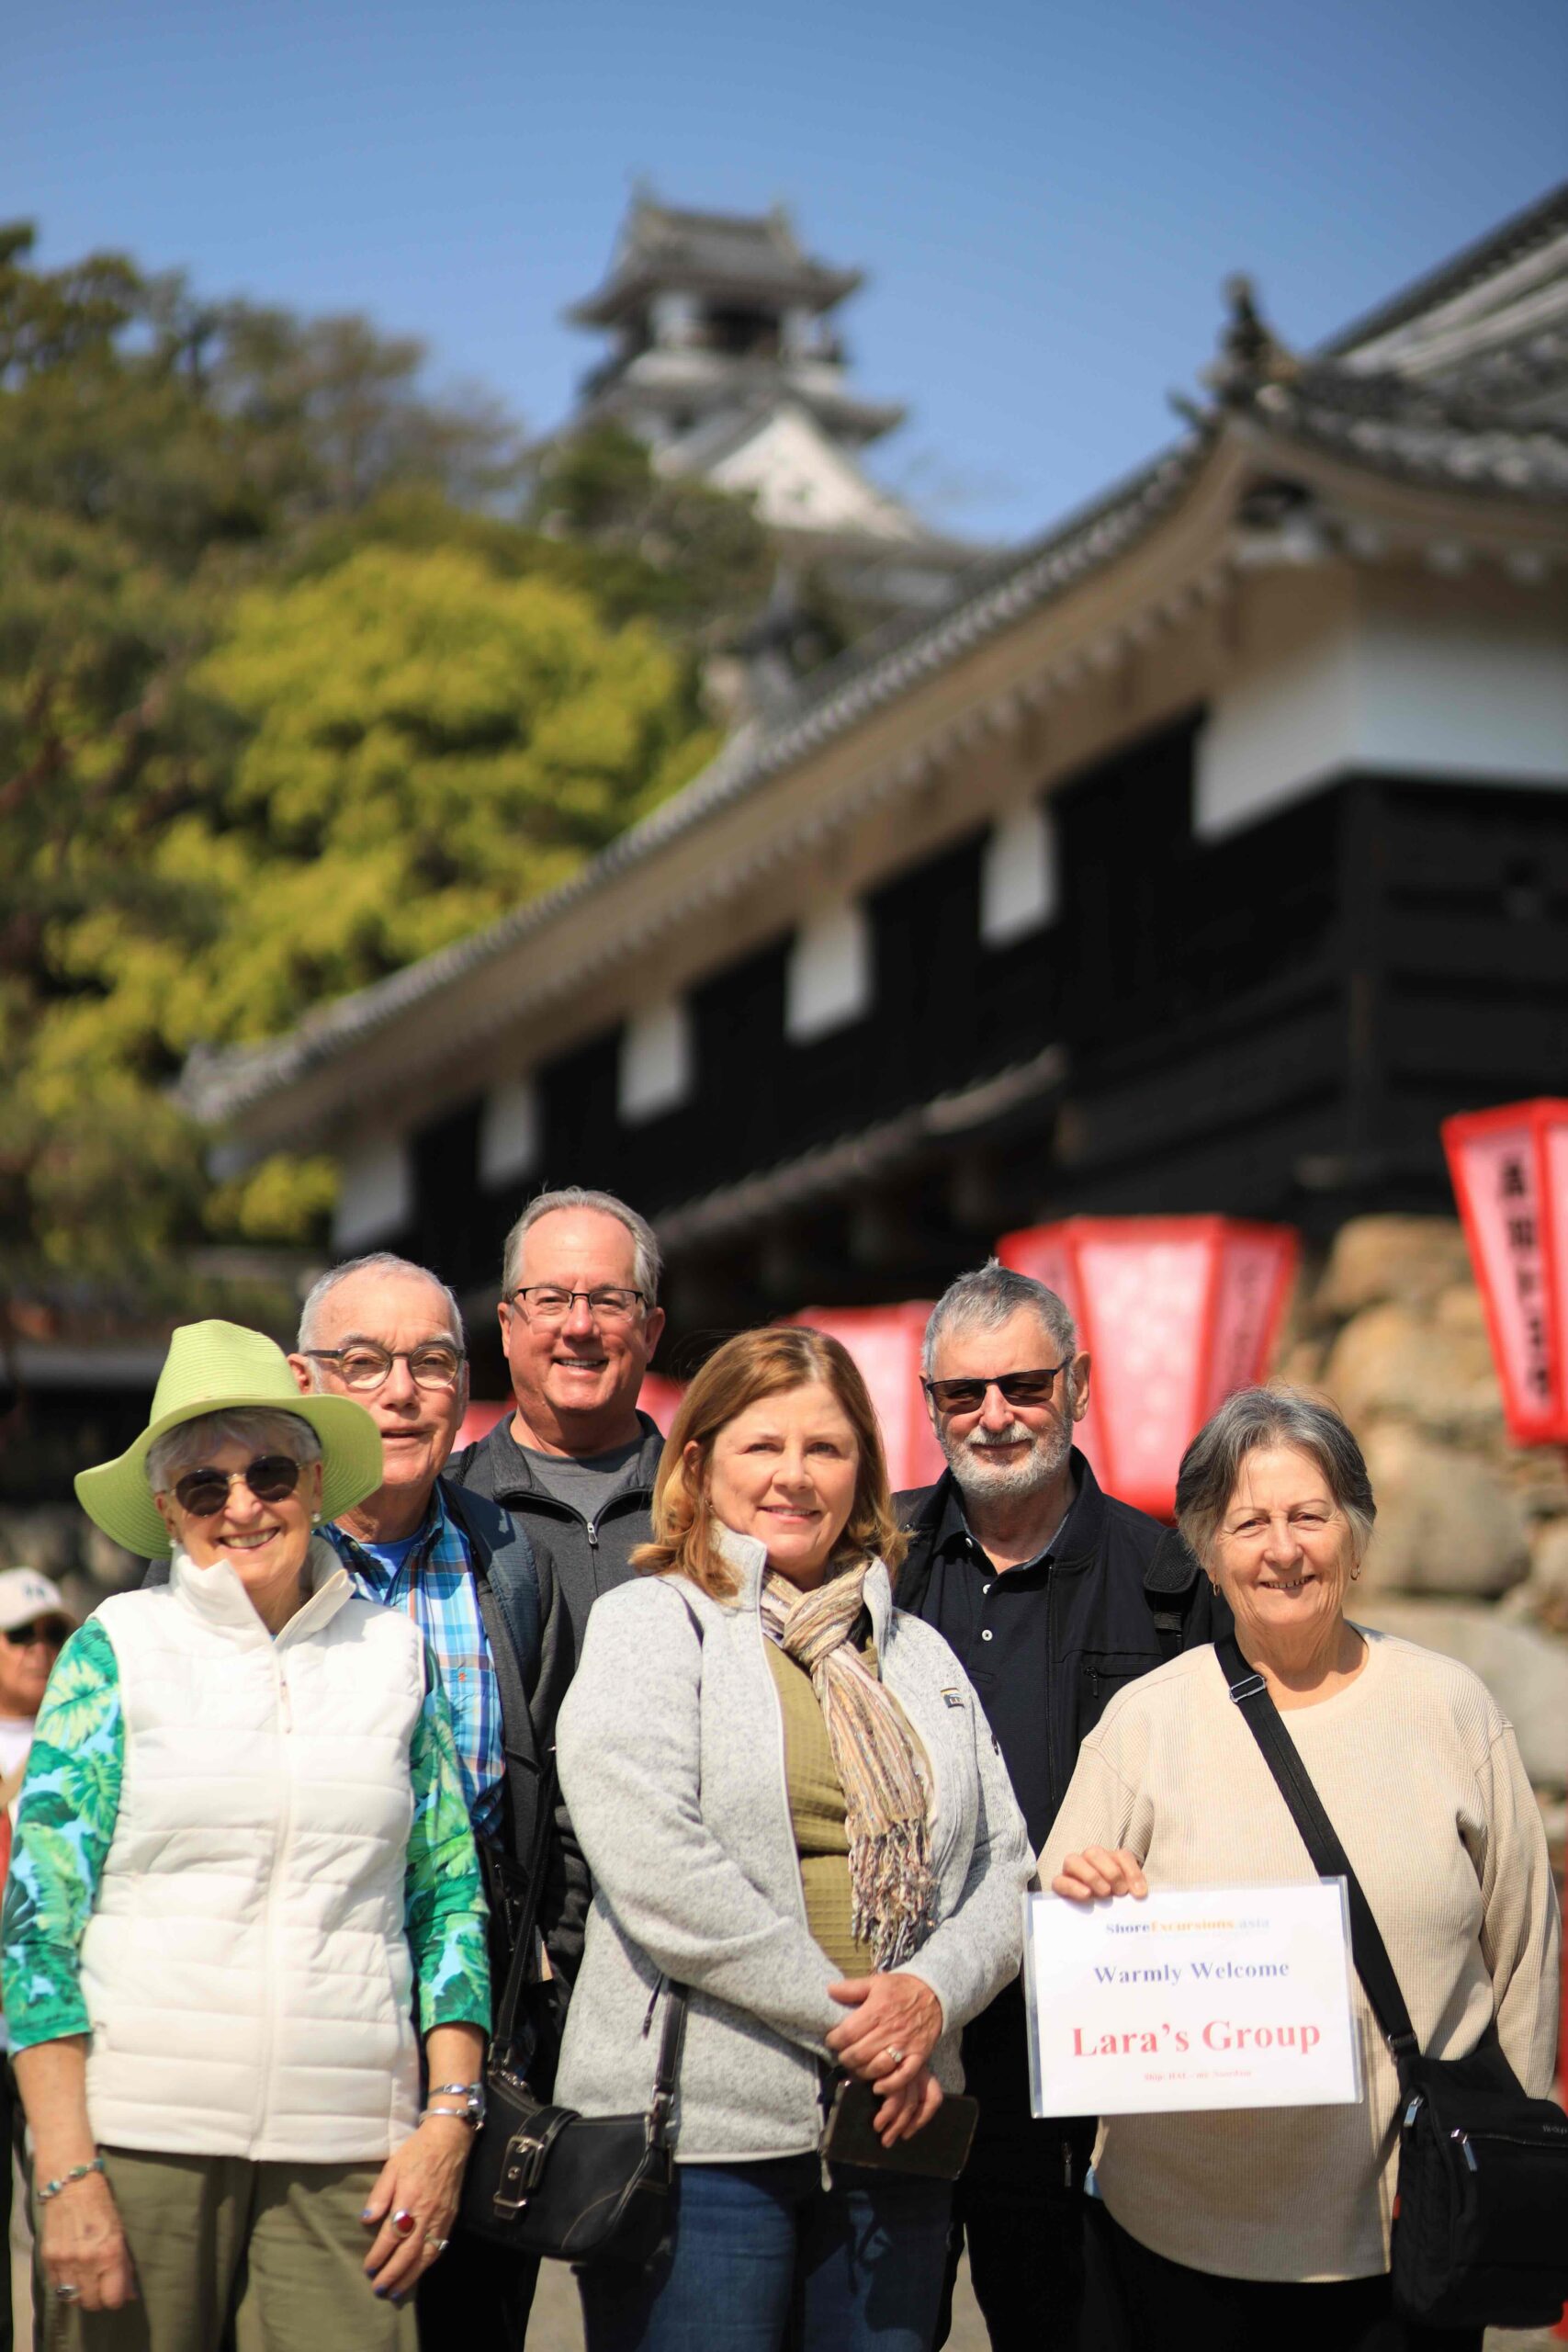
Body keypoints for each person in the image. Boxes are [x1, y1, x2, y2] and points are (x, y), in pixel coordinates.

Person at [1041, 1385, 1561, 2352]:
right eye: (1250, 1523)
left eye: (1309, 1516)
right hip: (1180, 2234)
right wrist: (1084, 1894)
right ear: (1208, 1550)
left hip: (1408, 2232)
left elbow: (1525, 1953)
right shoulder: (1148, 1724)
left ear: (1355, 1538)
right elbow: (1053, 1929)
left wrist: (1503, 2157)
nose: (1283, 1548)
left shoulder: (1450, 1709)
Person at [2, 1320, 490, 2348]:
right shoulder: (113, 1652)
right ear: (168, 1512)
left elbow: (449, 1898)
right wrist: (65, 2164)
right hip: (136, 2141)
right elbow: (36, 1927)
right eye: (203, 1487)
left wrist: (449, 2121)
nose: (242, 1505)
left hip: (352, 2146)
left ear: (315, 1483)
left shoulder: (394, 1657)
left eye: (269, 1471)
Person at [555, 1325, 1033, 2352]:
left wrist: (929, 1996)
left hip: (894, 2130)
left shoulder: (914, 1651)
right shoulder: (652, 1622)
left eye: (826, 1448)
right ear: (699, 1463)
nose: (794, 1475)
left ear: (863, 1470)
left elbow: (1006, 1865)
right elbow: (658, 1868)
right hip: (701, 2138)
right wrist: (858, 2026)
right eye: (761, 1445)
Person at [894, 1261, 1219, 2352]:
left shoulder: (1172, 1577)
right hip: (906, 2054)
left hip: (1090, 2062)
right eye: (963, 1393)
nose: (995, 1416)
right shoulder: (869, 1568)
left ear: (1079, 1383)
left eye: (1025, 1385)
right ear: (929, 1400)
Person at [286, 1251, 584, 2351]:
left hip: (473, 2053)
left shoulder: (510, 1559)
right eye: (364, 1362)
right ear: (303, 1381)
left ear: (467, 1386)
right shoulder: (245, 1564)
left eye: (430, 1362)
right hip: (298, 2041)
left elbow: (542, 1812)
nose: (400, 1392)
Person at [446, 1188, 667, 1644]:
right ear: (508, 1328)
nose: (580, 1325)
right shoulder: (447, 1507)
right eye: (550, 1299)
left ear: (650, 1333)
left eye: (609, 1300)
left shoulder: (710, 1500)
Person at [0, 1568, 76, 2352]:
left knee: (68, 2224)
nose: (40, 1650)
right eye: (21, 1634)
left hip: (53, 2020)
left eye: (55, 1632)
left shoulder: (90, 1736)